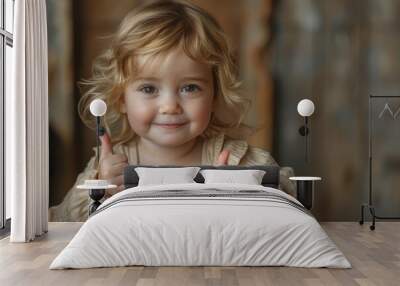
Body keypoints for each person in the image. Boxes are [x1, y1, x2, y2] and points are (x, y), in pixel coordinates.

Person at [49, 0, 295, 222]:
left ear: (215, 94)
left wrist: (243, 188)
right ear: (121, 97)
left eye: (190, 87)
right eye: (148, 88)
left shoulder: (239, 162)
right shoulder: (109, 166)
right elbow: (62, 220)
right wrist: (99, 187)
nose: (170, 106)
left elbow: (292, 211)